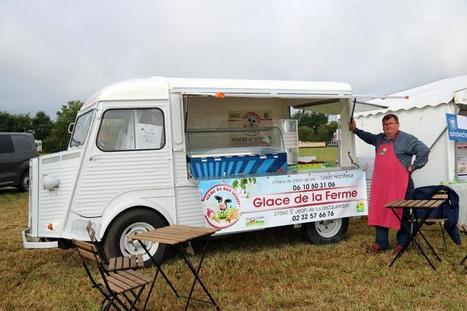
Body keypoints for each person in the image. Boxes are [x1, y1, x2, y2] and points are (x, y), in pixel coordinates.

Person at [348, 114, 429, 254]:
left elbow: (424, 150)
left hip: (401, 185)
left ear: (397, 125)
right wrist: (355, 130)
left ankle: (402, 243)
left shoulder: (406, 139)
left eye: (391, 124)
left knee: (402, 213)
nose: (388, 127)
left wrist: (413, 167)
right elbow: (368, 137)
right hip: (382, 185)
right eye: (385, 125)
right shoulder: (379, 138)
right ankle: (381, 243)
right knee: (381, 210)